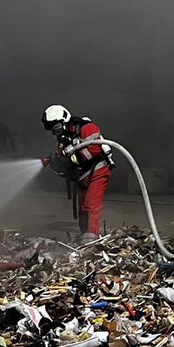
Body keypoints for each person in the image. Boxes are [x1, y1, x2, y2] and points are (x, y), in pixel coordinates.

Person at [41, 104, 112, 243]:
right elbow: (66, 161)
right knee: (83, 209)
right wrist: (58, 163)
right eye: (53, 130)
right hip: (82, 176)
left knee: (91, 205)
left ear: (64, 120)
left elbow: (94, 149)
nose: (56, 132)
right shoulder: (64, 138)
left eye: (57, 128)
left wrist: (73, 157)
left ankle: (91, 236)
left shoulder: (85, 127)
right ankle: (85, 235)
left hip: (97, 171)